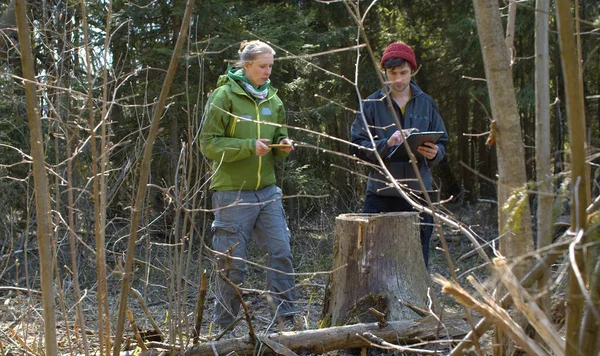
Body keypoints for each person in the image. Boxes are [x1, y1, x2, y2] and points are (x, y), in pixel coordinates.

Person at [200, 40, 296, 333]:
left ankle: (286, 324)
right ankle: (224, 330)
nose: (268, 72)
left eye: (271, 66)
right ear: (246, 65)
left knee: (280, 252)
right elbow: (208, 143)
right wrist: (246, 146)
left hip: (267, 191)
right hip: (231, 192)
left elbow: (280, 135)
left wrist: (284, 145)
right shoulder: (223, 96)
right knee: (233, 267)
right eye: (263, 66)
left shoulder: (274, 101)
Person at [350, 42, 448, 268]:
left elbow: (442, 141)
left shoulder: (426, 103)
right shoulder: (372, 104)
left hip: (420, 194)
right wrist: (386, 144)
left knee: (417, 261)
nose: (398, 79)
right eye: (392, 73)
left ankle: (421, 303)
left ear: (412, 70)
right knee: (373, 262)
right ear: (384, 72)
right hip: (381, 193)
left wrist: (435, 153)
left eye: (403, 73)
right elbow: (356, 146)